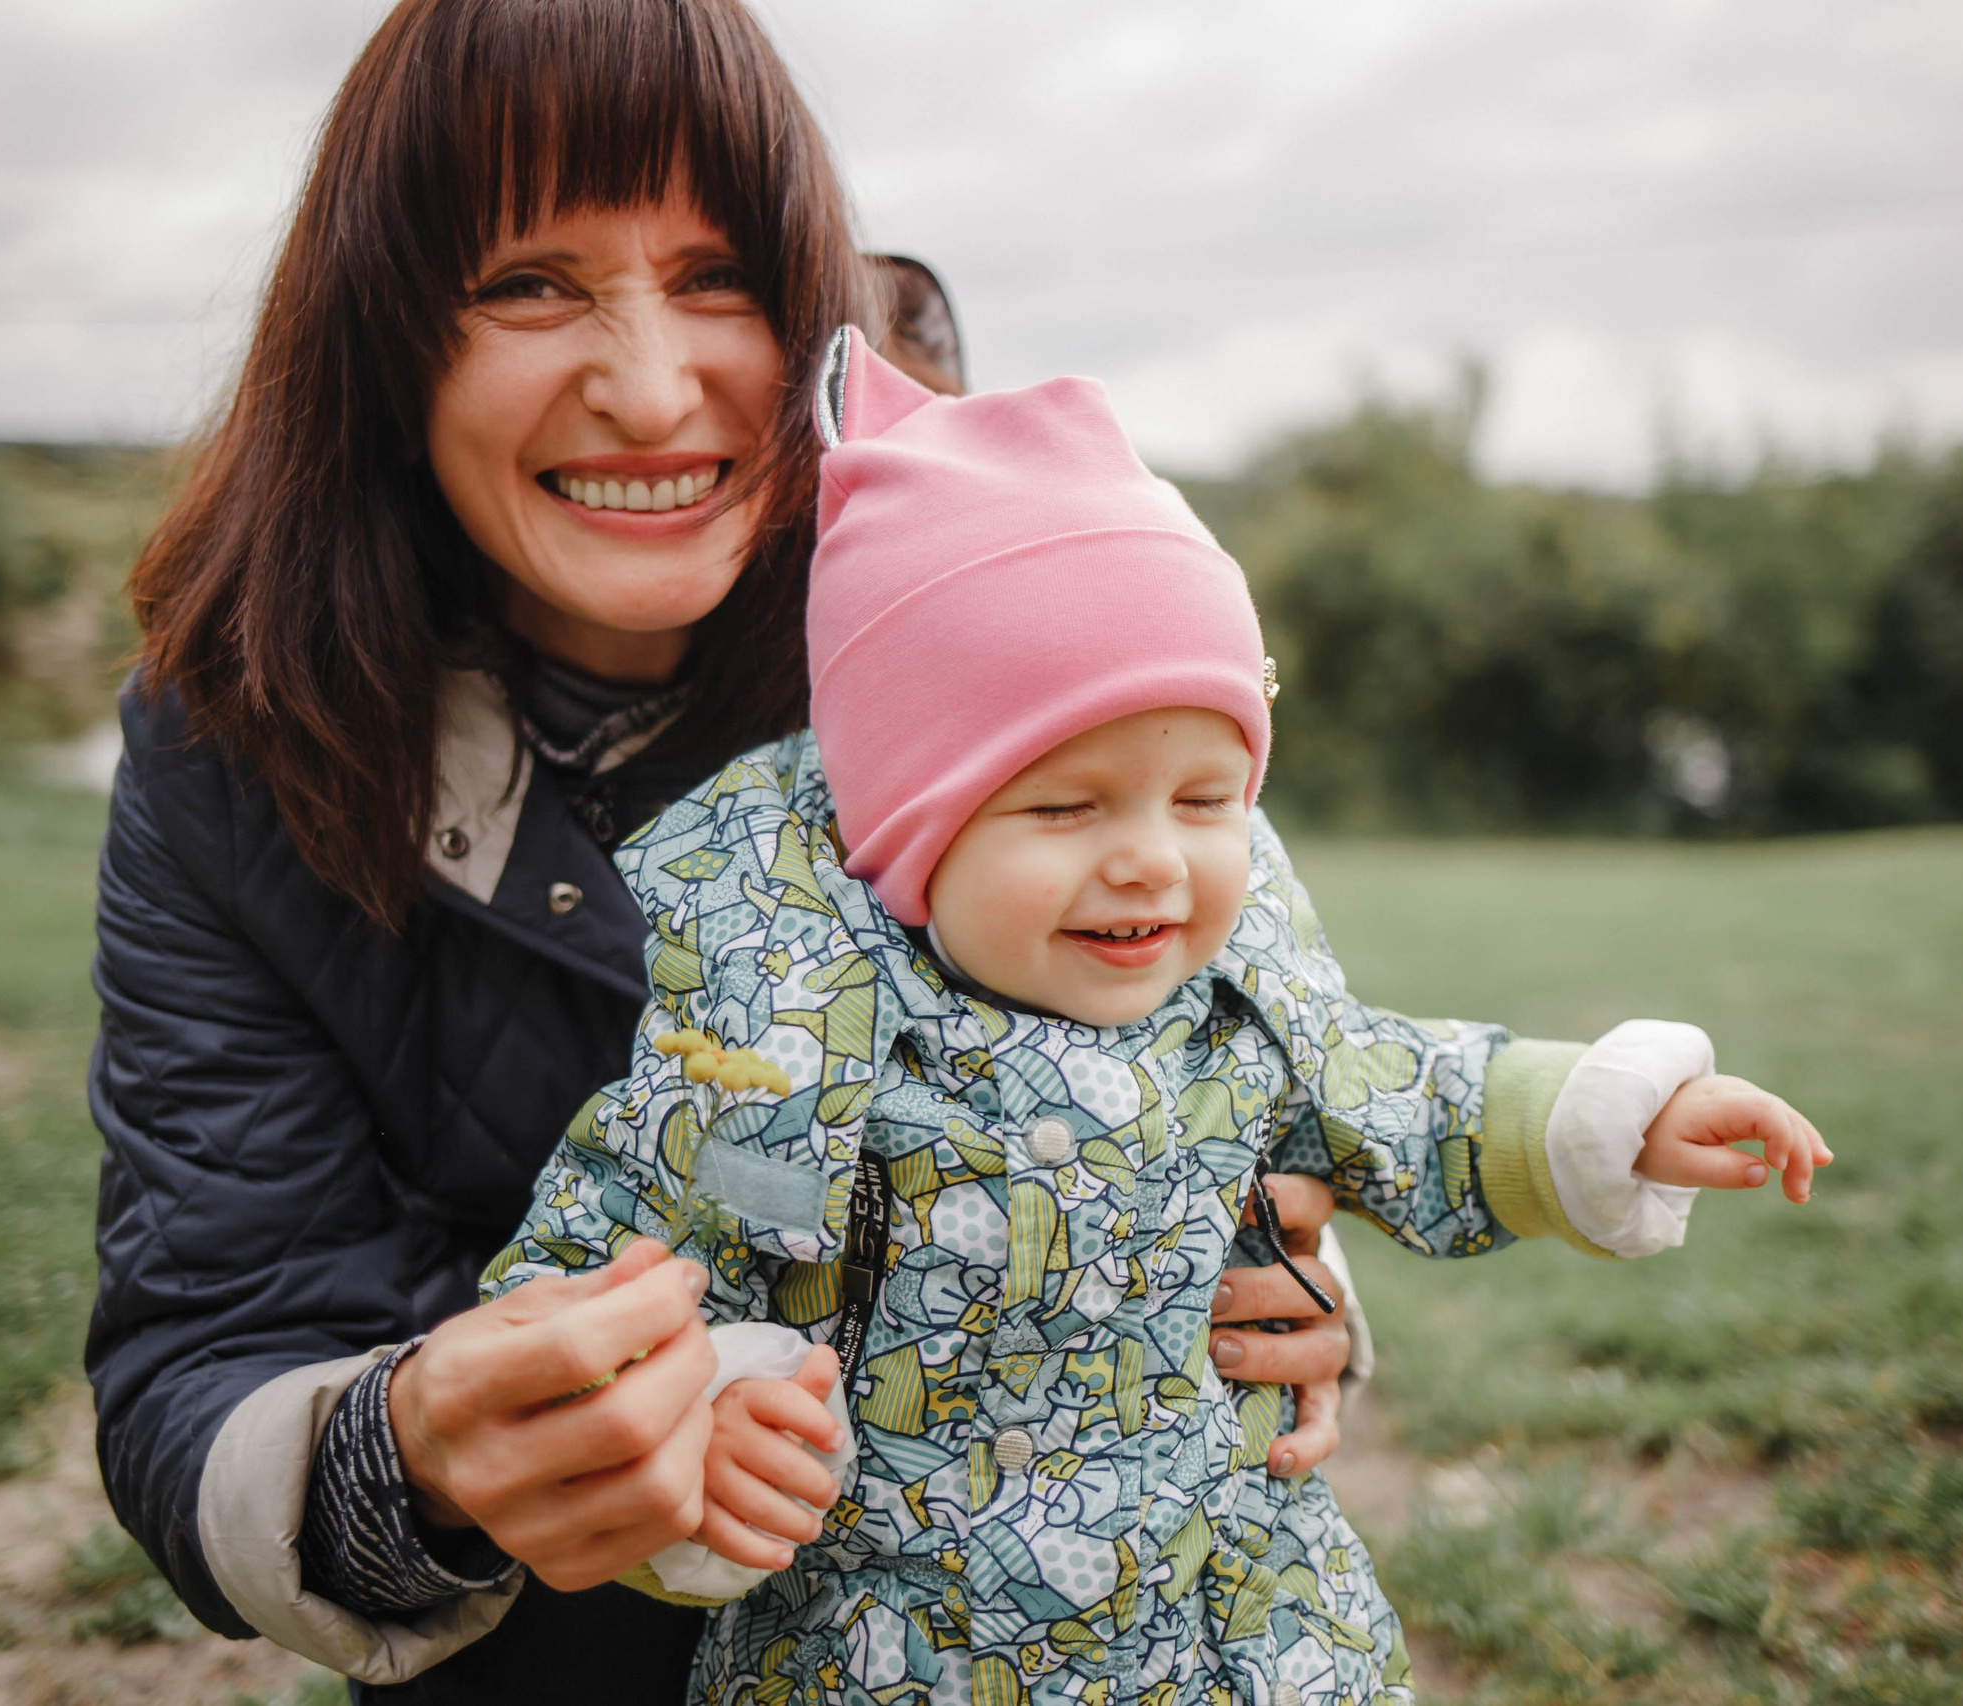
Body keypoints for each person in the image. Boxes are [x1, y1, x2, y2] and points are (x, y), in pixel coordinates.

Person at [83, 3, 1358, 1700]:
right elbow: (210, 1333)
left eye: (717, 278)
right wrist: (410, 1460)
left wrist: (1271, 1271)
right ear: (387, 336)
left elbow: (1241, 1038)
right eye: (530, 282)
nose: (649, 388)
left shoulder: (991, 641)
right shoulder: (227, 747)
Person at [484, 329, 1832, 1704]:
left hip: (1233, 1632)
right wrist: (703, 1426)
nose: (1152, 858)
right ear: (906, 830)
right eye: (1064, 805)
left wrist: (1623, 1115)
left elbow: (1411, 1093)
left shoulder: (1241, 1003)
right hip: (895, 1652)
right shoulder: (771, 1045)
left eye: (1204, 799)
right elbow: (607, 1284)